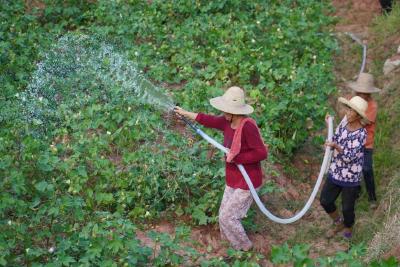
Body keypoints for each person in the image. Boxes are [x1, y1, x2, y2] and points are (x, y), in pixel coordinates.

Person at [174, 86, 268, 251]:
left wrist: (238, 157)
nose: (223, 113)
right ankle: (229, 247)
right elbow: (208, 120)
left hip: (248, 182)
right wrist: (185, 113)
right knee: (223, 216)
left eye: (226, 110)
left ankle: (245, 249)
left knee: (228, 217)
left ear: (235, 112)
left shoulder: (247, 127)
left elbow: (261, 152)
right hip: (233, 179)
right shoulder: (227, 122)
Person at [320, 96, 369, 240]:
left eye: (352, 111)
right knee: (325, 200)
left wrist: (336, 147)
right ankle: (338, 222)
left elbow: (349, 157)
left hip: (351, 176)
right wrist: (329, 125)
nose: (348, 112)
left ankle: (348, 226)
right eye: (348, 108)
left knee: (347, 208)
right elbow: (335, 137)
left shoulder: (361, 134)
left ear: (359, 115)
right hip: (336, 170)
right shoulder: (344, 122)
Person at [347, 73, 381, 209]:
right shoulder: (352, 100)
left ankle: (372, 197)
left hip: (366, 143)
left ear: (369, 93)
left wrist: (352, 117)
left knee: (366, 169)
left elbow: (363, 122)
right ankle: (357, 191)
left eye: (365, 93)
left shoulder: (372, 106)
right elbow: (347, 116)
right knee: (353, 167)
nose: (362, 95)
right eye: (360, 92)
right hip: (353, 141)